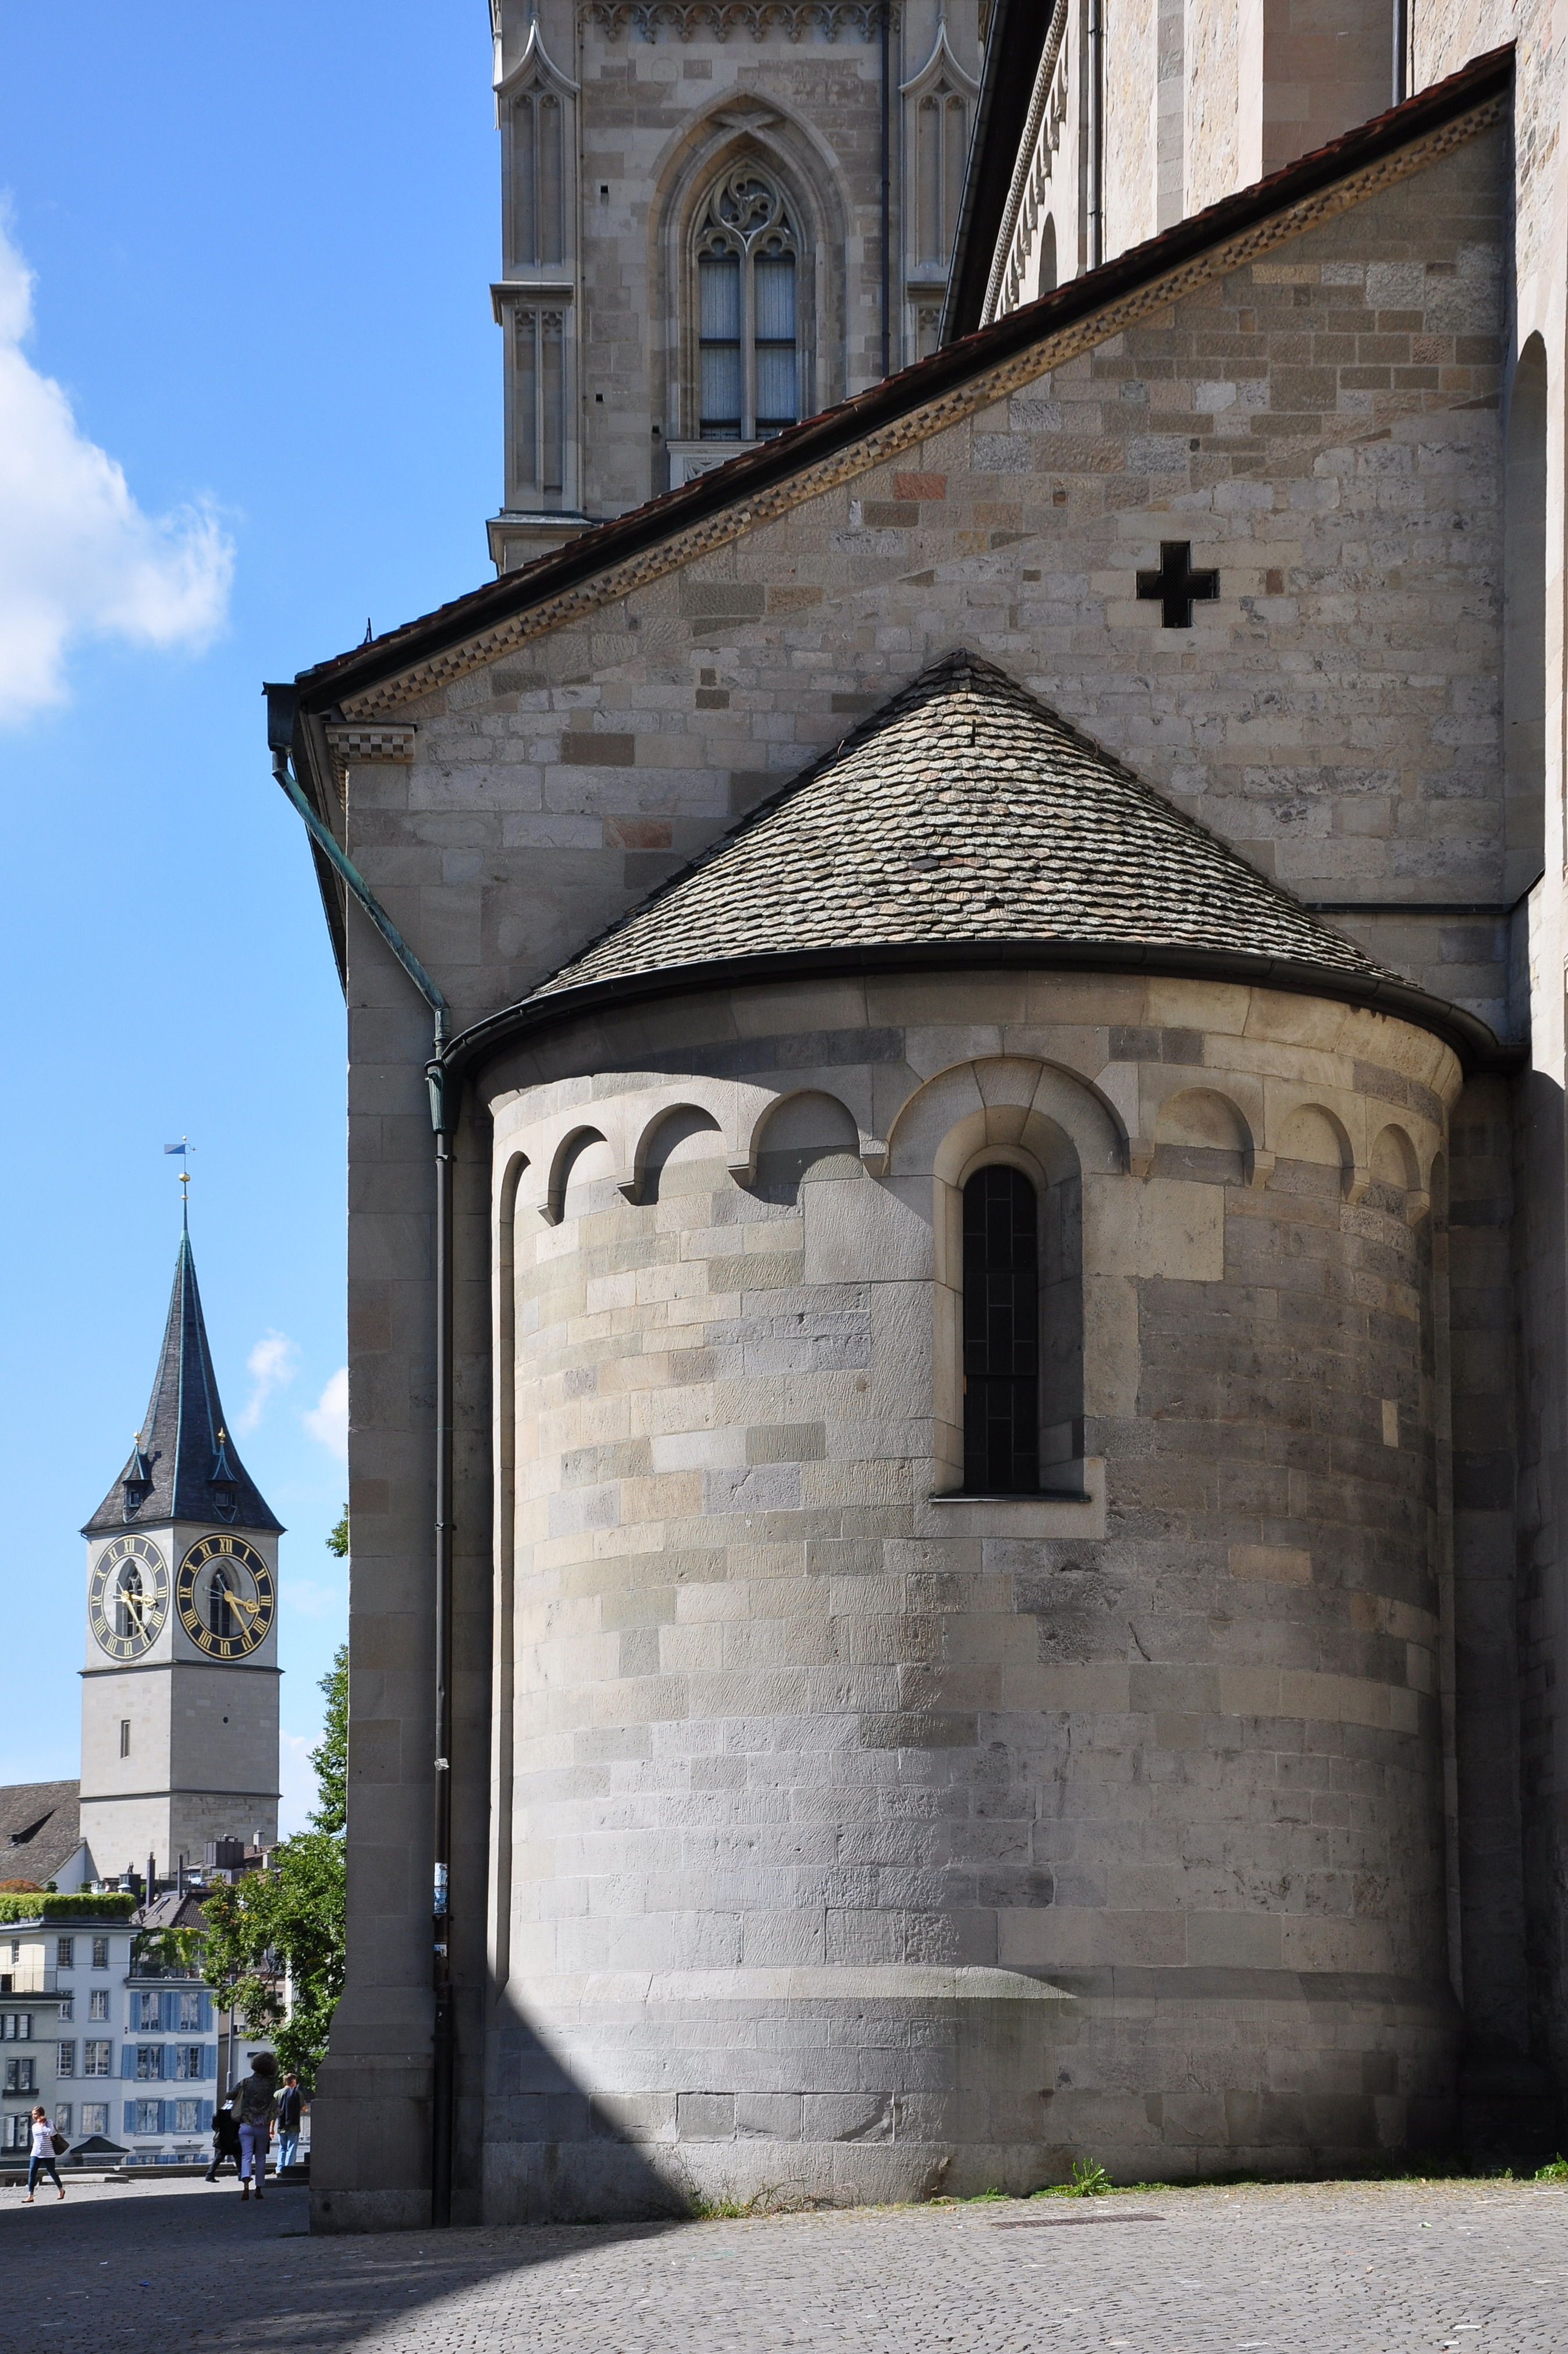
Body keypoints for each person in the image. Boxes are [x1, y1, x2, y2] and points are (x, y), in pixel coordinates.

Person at [227, 2050, 279, 2201]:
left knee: (246, 2156)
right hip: (263, 2125)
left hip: (246, 2124)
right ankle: (259, 2189)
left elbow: (229, 2096)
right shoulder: (272, 2083)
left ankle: (245, 2187)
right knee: (261, 2157)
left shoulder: (246, 2082)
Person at [23, 2108, 64, 2203]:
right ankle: (30, 2195)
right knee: (32, 2173)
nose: (34, 2116)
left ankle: (61, 2190)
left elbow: (50, 2132)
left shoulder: (49, 2123)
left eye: (36, 2114)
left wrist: (42, 2123)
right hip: (36, 2152)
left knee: (51, 2172)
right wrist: (39, 2123)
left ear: (41, 2114)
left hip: (48, 2153)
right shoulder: (34, 2126)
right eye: (33, 2114)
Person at [206, 2099, 241, 2182]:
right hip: (232, 2135)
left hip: (223, 2135)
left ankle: (210, 2175)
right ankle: (241, 2175)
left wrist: (219, 2131)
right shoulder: (235, 2109)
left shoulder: (223, 2108)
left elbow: (214, 2124)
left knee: (223, 2155)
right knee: (237, 2155)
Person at [276, 2074, 303, 2170]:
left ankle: (279, 2169)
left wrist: (271, 2128)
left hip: (281, 2126)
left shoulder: (277, 2094)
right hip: (294, 2126)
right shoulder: (297, 2093)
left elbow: (273, 2112)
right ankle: (289, 2169)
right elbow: (303, 2108)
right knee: (291, 2148)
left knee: (282, 2148)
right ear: (293, 2081)